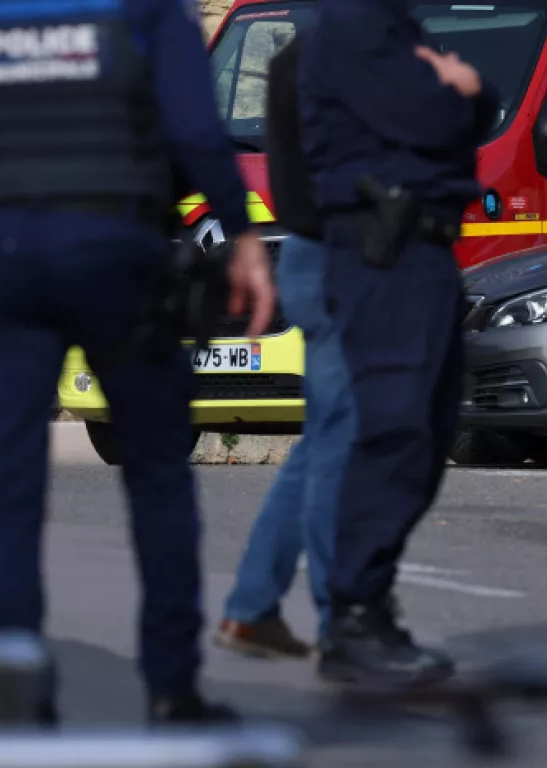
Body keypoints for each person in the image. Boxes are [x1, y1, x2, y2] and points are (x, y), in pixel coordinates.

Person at [0, 0, 275, 723]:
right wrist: (242, 235)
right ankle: (171, 688)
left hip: (8, 258)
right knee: (157, 471)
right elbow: (195, 130)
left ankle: (15, 687)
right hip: (116, 250)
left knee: (10, 477)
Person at [300, 0, 499, 684]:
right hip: (384, 247)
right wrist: (456, 88)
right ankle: (353, 618)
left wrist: (462, 91)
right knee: (394, 430)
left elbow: (478, 110)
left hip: (422, 248)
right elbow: (434, 116)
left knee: (426, 429)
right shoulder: (356, 22)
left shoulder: (395, 25)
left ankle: (369, 606)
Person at [213, 25, 357, 660]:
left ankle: (252, 608)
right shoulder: (352, 59)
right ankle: (341, 625)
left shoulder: (296, 55)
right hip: (340, 258)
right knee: (340, 447)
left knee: (325, 442)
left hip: (307, 253)